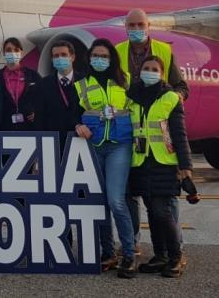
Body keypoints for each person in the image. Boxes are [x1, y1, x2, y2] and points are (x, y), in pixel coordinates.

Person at [117, 9, 189, 257]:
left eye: (140, 24)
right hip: (130, 131)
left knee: (165, 200)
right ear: (125, 27)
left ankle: (174, 248)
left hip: (159, 135)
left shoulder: (163, 50)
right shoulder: (118, 52)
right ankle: (136, 244)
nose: (136, 28)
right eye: (131, 25)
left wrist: (173, 101)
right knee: (134, 194)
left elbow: (182, 86)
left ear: (148, 26)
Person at [73, 39, 136, 277]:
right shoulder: (81, 84)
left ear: (111, 59)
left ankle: (129, 254)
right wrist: (77, 124)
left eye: (104, 56)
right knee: (98, 203)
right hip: (94, 145)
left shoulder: (125, 80)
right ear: (89, 58)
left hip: (119, 145)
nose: (99, 59)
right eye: (95, 55)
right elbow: (73, 112)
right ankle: (108, 253)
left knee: (115, 201)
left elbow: (136, 109)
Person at [126, 56, 192, 278]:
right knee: (152, 213)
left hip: (164, 162)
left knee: (161, 212)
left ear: (162, 74)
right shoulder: (131, 97)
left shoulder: (171, 98)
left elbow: (180, 135)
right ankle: (161, 256)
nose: (150, 72)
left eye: (155, 69)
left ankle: (176, 257)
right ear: (140, 72)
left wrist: (186, 167)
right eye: (146, 68)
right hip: (141, 162)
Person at [0, 38, 41, 131]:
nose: (12, 53)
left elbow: (43, 97)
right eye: (8, 50)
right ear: (3, 53)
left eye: (16, 50)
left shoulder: (33, 75)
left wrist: (38, 112)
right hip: (3, 126)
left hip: (29, 126)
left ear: (21, 52)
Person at [35, 40, 82, 136]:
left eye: (64, 55)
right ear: (52, 59)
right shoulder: (43, 84)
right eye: (56, 56)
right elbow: (40, 118)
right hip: (54, 140)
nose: (60, 58)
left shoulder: (85, 81)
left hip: (80, 138)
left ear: (72, 57)